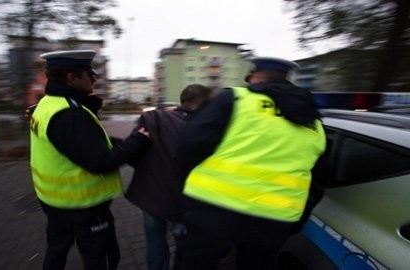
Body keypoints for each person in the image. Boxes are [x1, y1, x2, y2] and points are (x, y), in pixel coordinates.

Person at [174, 57, 326, 269]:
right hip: (274, 221)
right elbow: (317, 180)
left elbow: (188, 147)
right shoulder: (315, 122)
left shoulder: (234, 98)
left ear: (255, 78)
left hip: (213, 212)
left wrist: (185, 198)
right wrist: (295, 221)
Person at [29, 49, 150, 270]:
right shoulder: (69, 114)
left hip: (54, 202)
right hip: (83, 206)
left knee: (56, 251)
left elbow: (81, 144)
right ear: (71, 78)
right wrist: (138, 140)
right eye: (88, 73)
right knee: (100, 259)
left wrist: (87, 107)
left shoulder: (47, 104)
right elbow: (100, 162)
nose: (94, 78)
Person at [125, 84, 213, 270]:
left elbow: (132, 152)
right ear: (204, 104)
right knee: (185, 247)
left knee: (155, 243)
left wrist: (150, 170)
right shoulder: (206, 128)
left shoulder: (154, 118)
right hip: (183, 201)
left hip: (151, 197)